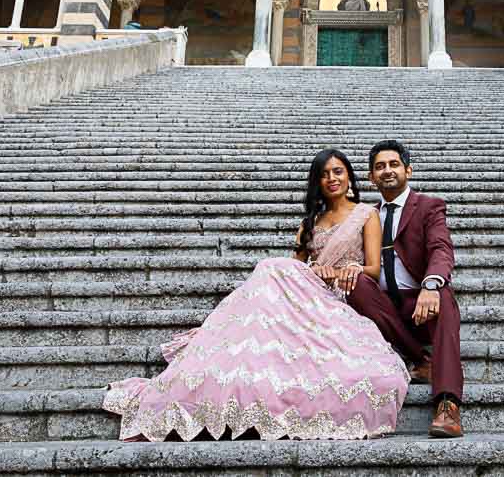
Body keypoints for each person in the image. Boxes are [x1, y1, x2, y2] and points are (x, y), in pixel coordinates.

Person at [103, 149, 409, 441]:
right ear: (317, 181)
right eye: (324, 173)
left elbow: (372, 268)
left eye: (338, 171)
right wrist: (316, 270)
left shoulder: (366, 214)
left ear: (350, 178)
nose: (332, 178)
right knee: (272, 269)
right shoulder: (310, 224)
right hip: (305, 292)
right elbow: (297, 268)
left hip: (340, 293)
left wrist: (344, 271)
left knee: (270, 266)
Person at [347, 140, 465, 439]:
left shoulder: (428, 207)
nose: (387, 171)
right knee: (356, 283)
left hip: (420, 303)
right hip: (384, 308)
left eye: (393, 164)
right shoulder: (364, 215)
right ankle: (422, 361)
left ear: (407, 170)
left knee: (446, 298)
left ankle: (447, 404)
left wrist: (431, 284)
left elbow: (441, 248)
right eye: (379, 167)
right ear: (371, 177)